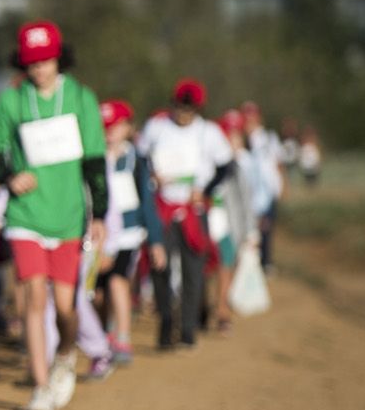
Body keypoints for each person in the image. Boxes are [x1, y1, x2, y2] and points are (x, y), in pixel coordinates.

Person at [0, 21, 108, 410]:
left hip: (68, 217)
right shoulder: (12, 101)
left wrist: (99, 213)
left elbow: (94, 161)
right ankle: (39, 385)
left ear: (59, 58)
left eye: (46, 61)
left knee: (67, 307)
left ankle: (66, 356)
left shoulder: (81, 98)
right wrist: (8, 177)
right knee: (34, 297)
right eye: (32, 63)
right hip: (25, 215)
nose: (39, 69)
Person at [138, 79, 235, 350]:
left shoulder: (209, 132)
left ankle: (189, 328)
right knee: (160, 266)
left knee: (195, 269)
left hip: (194, 209)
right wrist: (151, 177)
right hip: (163, 206)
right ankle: (167, 320)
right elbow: (141, 158)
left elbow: (226, 167)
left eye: (189, 109)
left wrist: (204, 192)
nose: (183, 113)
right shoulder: (157, 127)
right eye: (180, 107)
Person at [95, 99, 165, 367]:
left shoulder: (135, 160)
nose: (110, 132)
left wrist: (155, 241)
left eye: (116, 126)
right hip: (99, 236)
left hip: (128, 234)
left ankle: (123, 338)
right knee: (98, 292)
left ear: (128, 127)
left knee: (118, 282)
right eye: (105, 126)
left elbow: (147, 203)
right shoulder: (92, 158)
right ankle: (104, 334)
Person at [209, 110, 258, 336]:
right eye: (230, 135)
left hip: (229, 225)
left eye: (236, 135)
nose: (234, 140)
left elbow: (246, 201)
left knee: (226, 266)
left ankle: (222, 310)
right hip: (208, 222)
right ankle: (214, 309)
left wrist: (251, 231)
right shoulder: (209, 162)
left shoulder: (239, 166)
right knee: (212, 268)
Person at [241, 102, 284, 272]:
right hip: (249, 190)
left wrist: (282, 185)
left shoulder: (269, 138)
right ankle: (252, 262)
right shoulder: (241, 139)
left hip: (268, 190)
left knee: (266, 226)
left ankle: (266, 261)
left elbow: (278, 163)